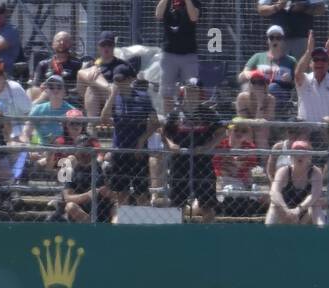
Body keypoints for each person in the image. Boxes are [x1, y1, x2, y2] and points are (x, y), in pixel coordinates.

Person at [162, 77, 222, 221]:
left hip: (203, 163)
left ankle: (207, 236)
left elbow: (222, 132)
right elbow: (163, 131)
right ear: (184, 91)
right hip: (179, 163)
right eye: (188, 89)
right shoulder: (175, 113)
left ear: (200, 92)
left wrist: (208, 146)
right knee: (178, 204)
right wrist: (170, 144)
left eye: (194, 90)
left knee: (207, 204)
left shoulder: (208, 113)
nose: (191, 93)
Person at [100, 62, 158, 210]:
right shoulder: (114, 98)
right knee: (121, 195)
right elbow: (104, 118)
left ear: (130, 79)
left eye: (121, 79)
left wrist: (142, 139)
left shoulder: (143, 97)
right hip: (119, 152)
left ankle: (140, 225)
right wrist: (112, 95)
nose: (118, 83)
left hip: (138, 152)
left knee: (141, 194)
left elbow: (155, 122)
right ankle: (122, 226)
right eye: (115, 80)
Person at [294, 30, 329, 144]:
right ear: (311, 64)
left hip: (327, 135)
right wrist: (308, 51)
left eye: (324, 59)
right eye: (316, 59)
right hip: (306, 134)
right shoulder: (305, 79)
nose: (319, 63)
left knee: (327, 122)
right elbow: (297, 73)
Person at [156, 0, 199, 116]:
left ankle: (188, 119)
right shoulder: (166, 2)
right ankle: (169, 123)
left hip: (189, 54)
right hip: (168, 53)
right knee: (167, 92)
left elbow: (194, 17)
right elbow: (158, 15)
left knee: (192, 88)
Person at [266, 137, 323, 223]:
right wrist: (287, 211)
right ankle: (267, 234)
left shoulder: (315, 172)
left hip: (304, 214)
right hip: (285, 212)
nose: (299, 156)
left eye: (303, 153)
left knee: (316, 205)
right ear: (291, 155)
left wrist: (298, 210)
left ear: (309, 156)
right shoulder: (284, 171)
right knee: (274, 204)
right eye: (296, 153)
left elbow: (314, 195)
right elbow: (274, 192)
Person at [257, 0, 324, 60]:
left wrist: (304, 9)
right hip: (278, 39)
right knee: (277, 70)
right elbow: (261, 10)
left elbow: (321, 9)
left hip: (301, 40)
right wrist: (277, 7)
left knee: (301, 71)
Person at [75, 32, 120, 119]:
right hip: (92, 97)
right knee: (82, 73)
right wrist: (93, 69)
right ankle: (92, 126)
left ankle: (91, 124)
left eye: (109, 45)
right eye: (103, 45)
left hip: (112, 97)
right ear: (98, 47)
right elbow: (80, 79)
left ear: (114, 47)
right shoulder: (93, 64)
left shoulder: (120, 64)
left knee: (92, 89)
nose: (106, 48)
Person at [32, 32, 81, 101]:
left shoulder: (77, 64)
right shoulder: (43, 64)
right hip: (46, 99)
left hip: (67, 99)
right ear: (53, 44)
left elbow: (80, 88)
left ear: (70, 44)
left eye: (65, 41)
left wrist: (62, 89)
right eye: (59, 40)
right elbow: (35, 86)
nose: (62, 43)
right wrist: (41, 87)